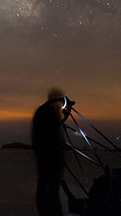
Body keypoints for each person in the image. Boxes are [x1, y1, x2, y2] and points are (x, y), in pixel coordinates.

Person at [32, 88, 66, 216]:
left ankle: (46, 210)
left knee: (46, 186)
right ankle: (51, 212)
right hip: (50, 156)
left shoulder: (45, 111)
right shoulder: (48, 112)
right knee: (51, 188)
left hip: (46, 156)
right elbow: (52, 135)